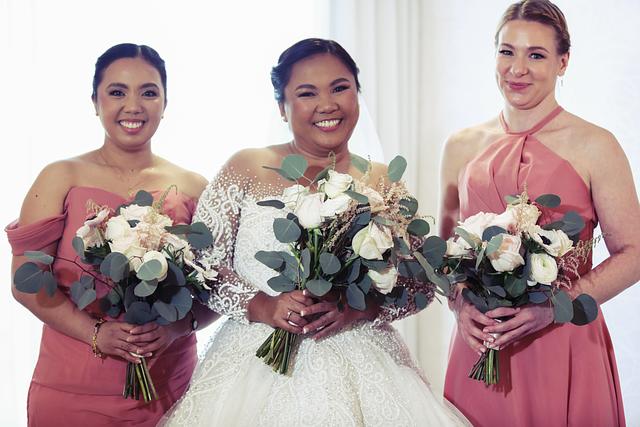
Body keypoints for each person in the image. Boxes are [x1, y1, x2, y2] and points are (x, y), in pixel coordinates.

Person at [160, 38, 469, 426]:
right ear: (282, 106)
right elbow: (202, 268)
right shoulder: (247, 167)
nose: (327, 104)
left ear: (357, 94)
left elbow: (419, 285)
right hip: (252, 363)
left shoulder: (383, 183)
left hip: (363, 362)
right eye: (307, 93)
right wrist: (263, 305)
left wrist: (359, 308)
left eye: (340, 88)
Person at [439, 1, 640, 425]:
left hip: (563, 340)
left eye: (536, 55)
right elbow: (442, 250)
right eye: (507, 51)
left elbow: (634, 253)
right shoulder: (460, 145)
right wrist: (459, 304)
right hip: (482, 345)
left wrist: (555, 306)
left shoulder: (596, 145)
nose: (517, 69)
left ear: (563, 62)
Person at [7, 43, 218, 426]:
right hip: (72, 389)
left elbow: (219, 289)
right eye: (117, 92)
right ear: (95, 101)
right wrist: (95, 333)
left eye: (148, 92)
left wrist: (176, 328)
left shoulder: (193, 187)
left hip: (169, 388)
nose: (133, 106)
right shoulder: (60, 177)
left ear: (165, 103)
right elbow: (26, 283)